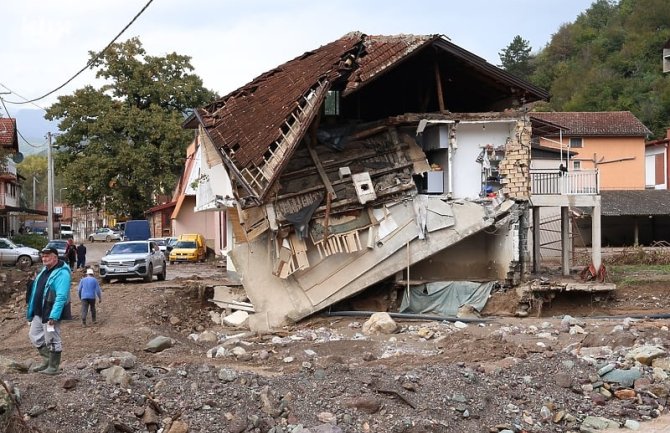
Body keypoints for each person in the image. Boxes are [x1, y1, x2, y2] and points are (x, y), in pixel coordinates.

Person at [26, 246, 72, 375]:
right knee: (34, 335)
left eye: (47, 256)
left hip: (50, 312)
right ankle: (46, 360)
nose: (44, 258)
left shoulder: (62, 273)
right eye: (43, 256)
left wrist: (54, 315)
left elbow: (61, 296)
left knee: (52, 338)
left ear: (55, 257)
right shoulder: (44, 270)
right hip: (38, 311)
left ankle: (54, 366)